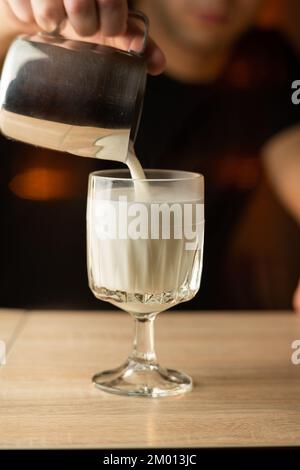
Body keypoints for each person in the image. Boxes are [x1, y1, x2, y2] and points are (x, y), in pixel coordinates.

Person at [0, 0, 299, 311]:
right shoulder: (73, 25)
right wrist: (6, 24)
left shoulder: (267, 64)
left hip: (194, 330)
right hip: (37, 327)